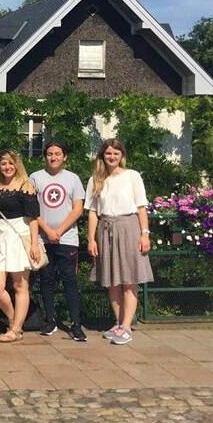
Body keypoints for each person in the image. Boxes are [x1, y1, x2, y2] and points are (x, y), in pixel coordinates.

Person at [86, 138, 153, 346]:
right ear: (102, 156)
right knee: (112, 280)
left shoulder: (132, 176)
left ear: (122, 156)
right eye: (108, 153)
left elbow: (141, 207)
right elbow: (93, 212)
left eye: (116, 153)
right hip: (106, 229)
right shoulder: (95, 180)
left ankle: (126, 325)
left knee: (129, 279)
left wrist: (145, 233)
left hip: (128, 227)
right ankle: (118, 322)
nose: (112, 157)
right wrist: (91, 239)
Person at [30, 140, 87, 342]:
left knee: (70, 281)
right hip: (43, 239)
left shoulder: (73, 179)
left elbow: (78, 208)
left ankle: (76, 324)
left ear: (65, 157)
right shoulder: (35, 177)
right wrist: (47, 230)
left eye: (57, 154)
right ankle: (50, 319)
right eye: (50, 154)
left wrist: (59, 231)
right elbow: (32, 209)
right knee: (46, 280)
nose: (53, 157)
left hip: (67, 239)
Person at [0, 149, 41, 343]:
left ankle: (16, 329)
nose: (7, 167)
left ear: (17, 164)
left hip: (19, 234)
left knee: (19, 285)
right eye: (3, 164)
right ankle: (12, 318)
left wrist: (34, 244)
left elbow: (33, 218)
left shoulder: (26, 186)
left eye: (10, 163)